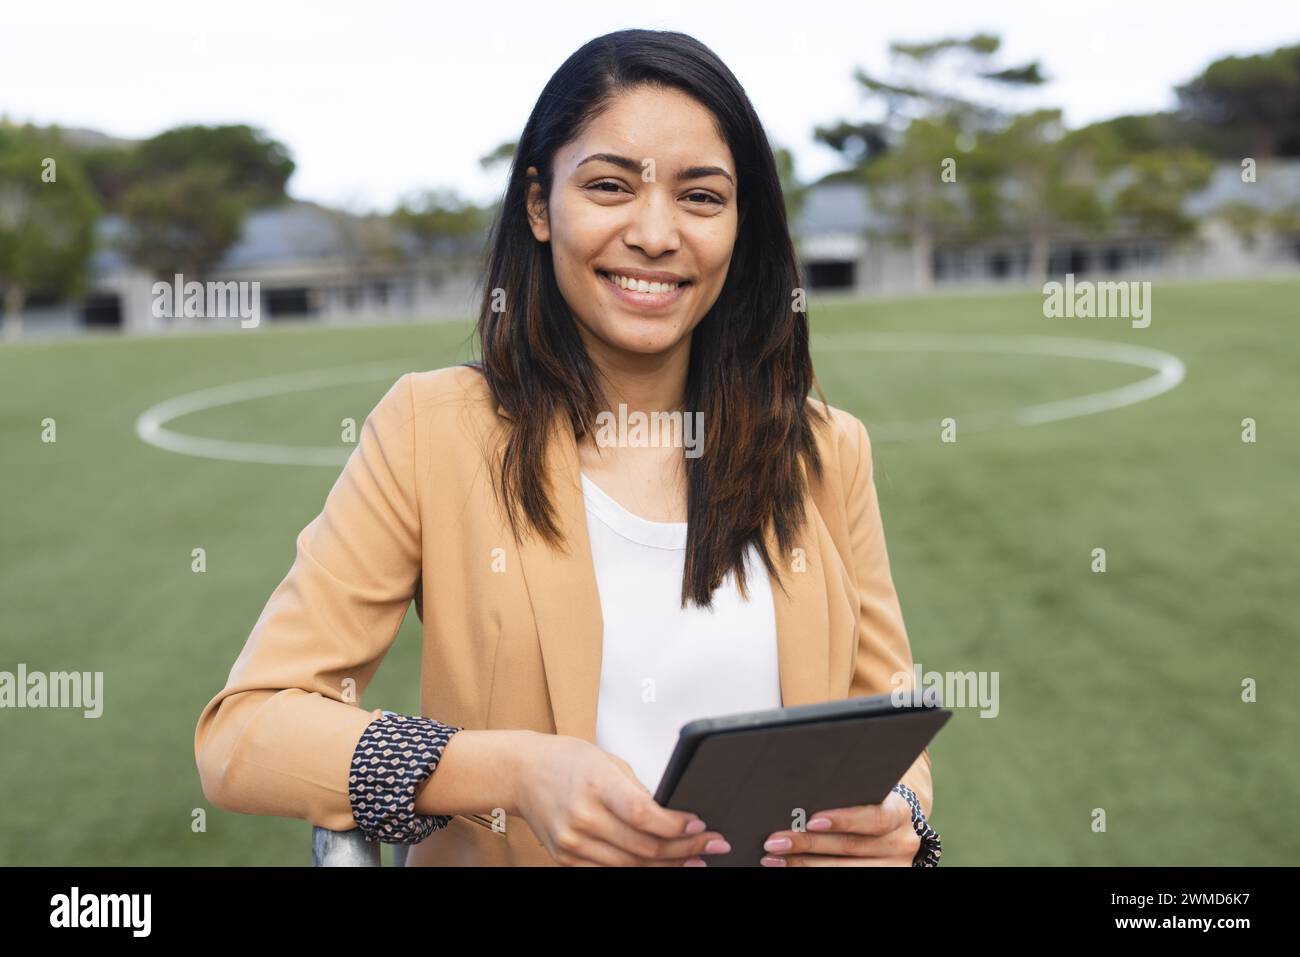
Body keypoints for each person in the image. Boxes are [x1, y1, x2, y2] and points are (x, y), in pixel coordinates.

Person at [194, 27, 940, 867]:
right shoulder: (430, 429)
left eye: (701, 197)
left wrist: (900, 815)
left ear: (742, 225)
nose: (656, 235)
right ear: (542, 206)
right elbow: (246, 729)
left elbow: (889, 720)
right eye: (612, 186)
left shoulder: (823, 448)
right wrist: (509, 770)